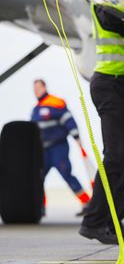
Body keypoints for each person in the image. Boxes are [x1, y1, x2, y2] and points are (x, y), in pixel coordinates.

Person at [79, 2, 124, 244]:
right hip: (113, 85)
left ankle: (113, 223)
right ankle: (93, 222)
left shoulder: (115, 2)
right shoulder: (107, 3)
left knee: (121, 160)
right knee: (115, 159)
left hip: (123, 87)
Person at [31, 79, 91, 216]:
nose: (36, 91)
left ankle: (87, 202)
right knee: (38, 178)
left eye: (38, 88)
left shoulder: (56, 103)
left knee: (66, 174)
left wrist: (77, 139)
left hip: (58, 148)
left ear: (44, 87)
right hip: (43, 151)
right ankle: (40, 206)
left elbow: (69, 120)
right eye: (34, 89)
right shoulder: (36, 109)